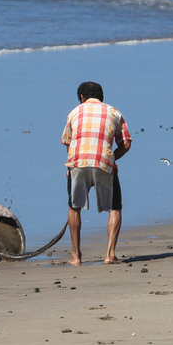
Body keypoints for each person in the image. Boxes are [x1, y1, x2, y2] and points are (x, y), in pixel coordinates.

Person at [60, 81, 132, 266]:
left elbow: (68, 142)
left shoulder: (74, 112)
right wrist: (111, 159)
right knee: (114, 207)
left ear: (82, 98)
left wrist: (71, 166)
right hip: (104, 163)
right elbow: (125, 143)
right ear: (102, 97)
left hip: (78, 162)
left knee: (74, 207)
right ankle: (110, 255)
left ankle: (76, 257)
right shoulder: (114, 112)